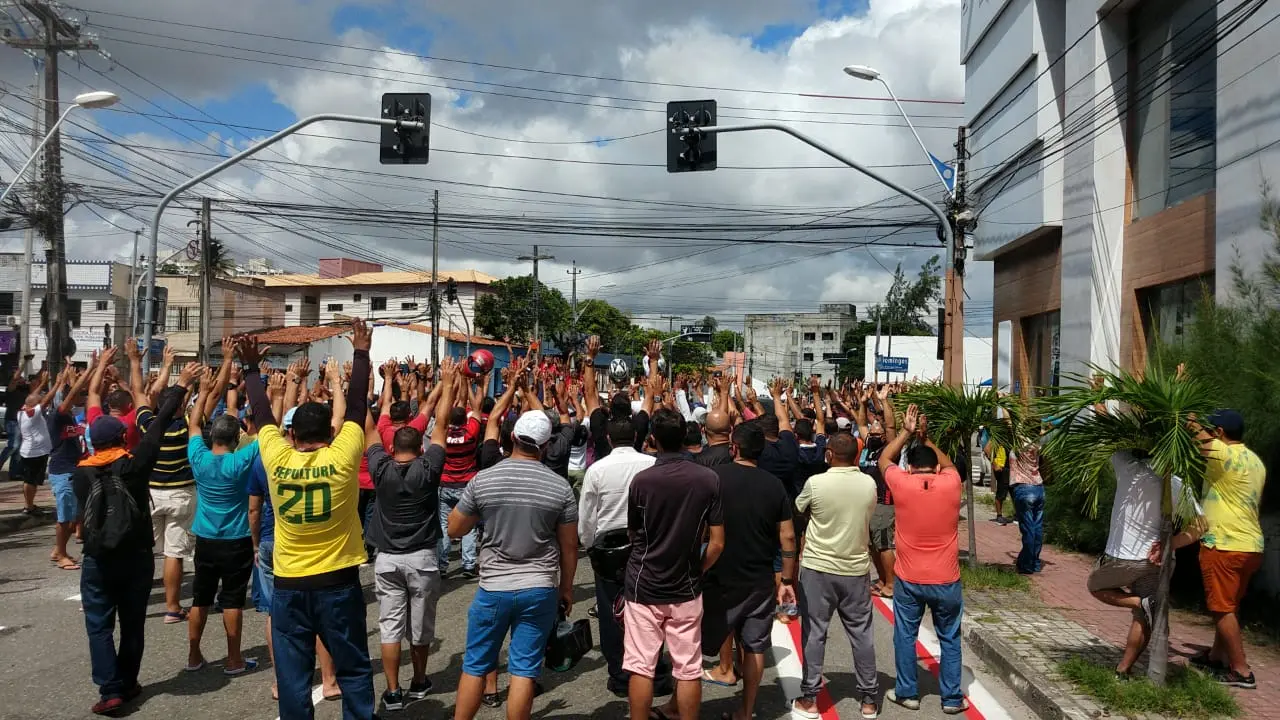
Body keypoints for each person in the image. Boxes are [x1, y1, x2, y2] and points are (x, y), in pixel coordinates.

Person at [242, 321, 377, 720]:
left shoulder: (276, 459)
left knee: (292, 675)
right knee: (352, 667)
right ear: (329, 432)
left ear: (293, 435)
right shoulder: (342, 457)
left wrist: (252, 370)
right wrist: (361, 353)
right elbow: (355, 407)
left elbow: (263, 414)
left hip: (289, 583)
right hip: (338, 581)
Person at [447, 409, 579, 720]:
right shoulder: (559, 487)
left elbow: (454, 528)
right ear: (545, 446)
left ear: (513, 438)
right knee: (524, 669)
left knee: (476, 665)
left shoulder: (485, 479)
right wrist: (567, 589)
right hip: (539, 586)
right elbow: (569, 546)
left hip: (494, 586)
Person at [73, 372, 186, 715]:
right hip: (136, 555)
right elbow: (158, 426)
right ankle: (128, 681)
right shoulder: (136, 465)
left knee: (99, 625)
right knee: (132, 622)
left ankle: (110, 691)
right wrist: (180, 386)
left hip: (98, 557)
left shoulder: (80, 473)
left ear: (92, 441)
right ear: (123, 436)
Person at [624, 407, 724, 720]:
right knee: (688, 666)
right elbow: (718, 542)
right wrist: (697, 568)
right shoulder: (708, 479)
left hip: (644, 583)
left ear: (653, 440)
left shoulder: (642, 481)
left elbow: (634, 532)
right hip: (687, 585)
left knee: (641, 665)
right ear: (685, 438)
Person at [365, 359, 454, 712]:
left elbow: (371, 426)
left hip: (387, 557)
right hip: (422, 557)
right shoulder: (429, 468)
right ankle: (418, 681)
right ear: (420, 447)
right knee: (420, 624)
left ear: (392, 447)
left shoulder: (380, 467)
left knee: (390, 625)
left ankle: (392, 690)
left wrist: (364, 385)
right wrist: (447, 385)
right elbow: (442, 423)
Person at [703, 421, 797, 720]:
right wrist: (786, 579)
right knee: (756, 645)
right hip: (759, 578)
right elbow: (788, 537)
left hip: (719, 574)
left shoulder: (715, 478)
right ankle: (746, 710)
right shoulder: (774, 485)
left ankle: (683, 707)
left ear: (734, 448)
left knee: (695, 643)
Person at [879, 405, 968, 715]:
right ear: (936, 468)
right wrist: (926, 438)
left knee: (905, 635)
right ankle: (952, 698)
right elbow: (952, 466)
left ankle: (907, 692)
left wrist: (906, 431)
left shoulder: (902, 483)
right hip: (947, 579)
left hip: (909, 578)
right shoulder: (952, 483)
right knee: (950, 638)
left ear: (910, 468)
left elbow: (884, 459)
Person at [1088, 450, 1203, 677]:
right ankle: (1124, 669)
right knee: (1144, 619)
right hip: (1157, 560)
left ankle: (1139, 602)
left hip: (1124, 559)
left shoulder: (1128, 466)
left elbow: (1109, 430)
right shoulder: (1176, 483)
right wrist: (1169, 545)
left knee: (1094, 585)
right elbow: (1201, 525)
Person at [578, 411, 669, 697]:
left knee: (610, 611)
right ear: (637, 437)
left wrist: (588, 544)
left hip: (608, 546)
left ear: (607, 438)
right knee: (651, 611)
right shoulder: (653, 464)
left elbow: (587, 516)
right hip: (646, 544)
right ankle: (653, 672)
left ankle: (619, 675)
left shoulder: (598, 469)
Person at [793, 432, 879, 720]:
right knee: (862, 634)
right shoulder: (868, 483)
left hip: (818, 567)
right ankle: (868, 698)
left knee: (815, 633)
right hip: (856, 568)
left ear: (828, 454)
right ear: (856, 454)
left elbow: (798, 508)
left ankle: (809, 697)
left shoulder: (816, 483)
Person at [185, 349, 259, 677]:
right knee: (232, 600)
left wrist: (202, 393)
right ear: (235, 439)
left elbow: (192, 423)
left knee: (200, 597)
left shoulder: (199, 458)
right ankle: (233, 659)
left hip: (205, 537)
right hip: (236, 538)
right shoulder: (238, 461)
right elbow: (265, 435)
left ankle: (193, 655)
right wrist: (277, 396)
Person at [1192, 408, 1266, 689]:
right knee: (1230, 607)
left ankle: (1241, 670)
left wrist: (1182, 404)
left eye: (1211, 432)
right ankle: (1217, 656)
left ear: (1220, 433)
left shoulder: (1223, 454)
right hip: (1251, 545)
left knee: (1222, 609)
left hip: (1224, 544)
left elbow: (1193, 433)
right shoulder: (1255, 460)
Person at [133, 344, 199, 624]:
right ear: (183, 405)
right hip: (181, 494)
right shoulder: (187, 426)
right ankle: (172, 607)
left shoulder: (147, 424)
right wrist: (201, 387)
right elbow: (213, 397)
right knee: (174, 553)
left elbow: (139, 393)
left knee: (143, 550)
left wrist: (138, 361)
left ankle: (136, 600)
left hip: (151, 494)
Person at [48, 364, 91, 569]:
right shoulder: (58, 415)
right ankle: (62, 554)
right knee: (64, 518)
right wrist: (91, 368)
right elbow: (72, 392)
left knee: (74, 518)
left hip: (73, 469)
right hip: (61, 470)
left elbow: (75, 391)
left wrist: (86, 376)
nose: (81, 397)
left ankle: (59, 549)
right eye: (78, 395)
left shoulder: (70, 416)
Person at [439, 379, 482, 579]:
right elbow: (476, 408)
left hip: (446, 484)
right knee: (468, 526)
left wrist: (456, 382)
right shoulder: (471, 432)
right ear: (465, 420)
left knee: (445, 525)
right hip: (466, 485)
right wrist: (471, 381)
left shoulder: (442, 433)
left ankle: (442, 564)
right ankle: (468, 564)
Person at [859, 386, 896, 598]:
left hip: (884, 501)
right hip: (868, 502)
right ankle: (882, 579)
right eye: (871, 430)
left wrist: (884, 401)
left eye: (876, 431)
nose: (872, 431)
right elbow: (861, 423)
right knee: (873, 544)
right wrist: (863, 403)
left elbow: (890, 426)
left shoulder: (888, 449)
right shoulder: (867, 447)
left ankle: (891, 584)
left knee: (883, 543)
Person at [17, 368, 56, 514]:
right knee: (30, 480)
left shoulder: (23, 410)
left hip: (34, 451)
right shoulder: (31, 413)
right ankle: (29, 506)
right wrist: (57, 384)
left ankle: (30, 505)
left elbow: (32, 397)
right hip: (35, 452)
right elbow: (44, 401)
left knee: (30, 480)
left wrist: (43, 383)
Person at [1009, 436, 1045, 574]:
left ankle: (1026, 564)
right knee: (1037, 528)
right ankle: (1035, 562)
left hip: (1023, 487)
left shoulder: (1019, 444)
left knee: (1028, 528)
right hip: (1038, 487)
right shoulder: (1037, 444)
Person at [1, 373, 29, 479]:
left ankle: (14, 473)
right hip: (12, 421)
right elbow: (13, 380)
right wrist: (23, 365)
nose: (22, 380)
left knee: (18, 448)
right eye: (20, 379)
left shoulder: (24, 391)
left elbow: (36, 381)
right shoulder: (11, 391)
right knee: (13, 446)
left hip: (21, 421)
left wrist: (43, 368)